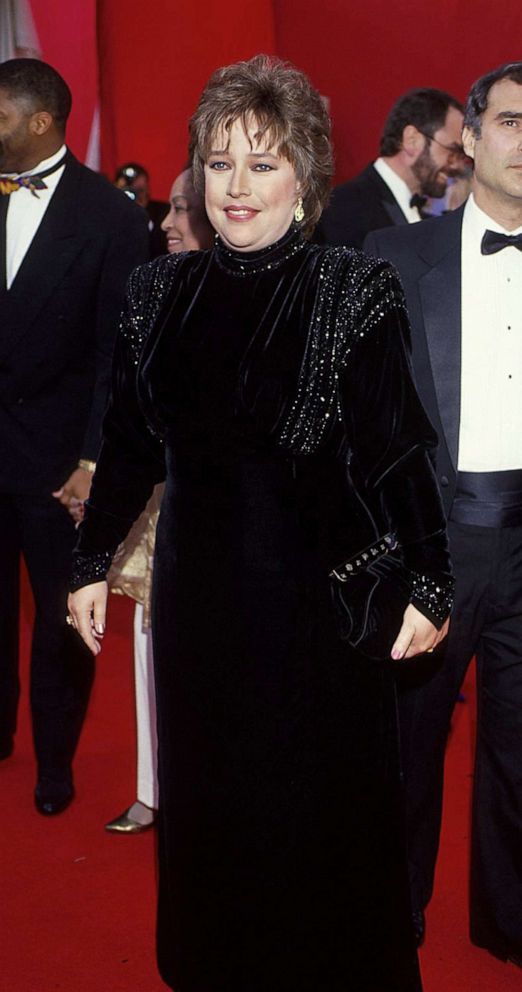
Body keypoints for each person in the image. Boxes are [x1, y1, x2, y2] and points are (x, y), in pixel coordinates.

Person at [68, 55, 453, 992]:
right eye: (220, 162)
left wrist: (431, 584)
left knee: (318, 822)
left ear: (306, 179)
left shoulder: (351, 289)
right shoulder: (159, 294)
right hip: (200, 612)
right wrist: (89, 560)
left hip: (320, 612)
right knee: (215, 813)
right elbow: (128, 443)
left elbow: (400, 450)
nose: (236, 188)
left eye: (263, 164)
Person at [364, 61, 522, 967]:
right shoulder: (397, 258)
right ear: (469, 134)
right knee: (408, 747)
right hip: (432, 542)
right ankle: (396, 912)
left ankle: (509, 923)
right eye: (510, 121)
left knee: (519, 754)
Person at [0, 58, 149, 814]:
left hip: (59, 461)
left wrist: (95, 457)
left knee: (63, 618)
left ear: (39, 122)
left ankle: (54, 760)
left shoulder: (112, 217)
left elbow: (116, 355)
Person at [105, 167, 214, 834]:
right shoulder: (155, 297)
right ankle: (154, 789)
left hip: (231, 522)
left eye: (180, 210)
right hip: (161, 510)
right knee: (148, 647)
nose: (167, 224)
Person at [315, 87, 465, 248]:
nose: (458, 165)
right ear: (412, 140)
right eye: (453, 151)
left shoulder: (431, 220)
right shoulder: (341, 208)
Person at [115, 161, 169, 256]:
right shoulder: (106, 216)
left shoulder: (162, 214)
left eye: (139, 191)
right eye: (127, 190)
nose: (133, 196)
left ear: (148, 191)